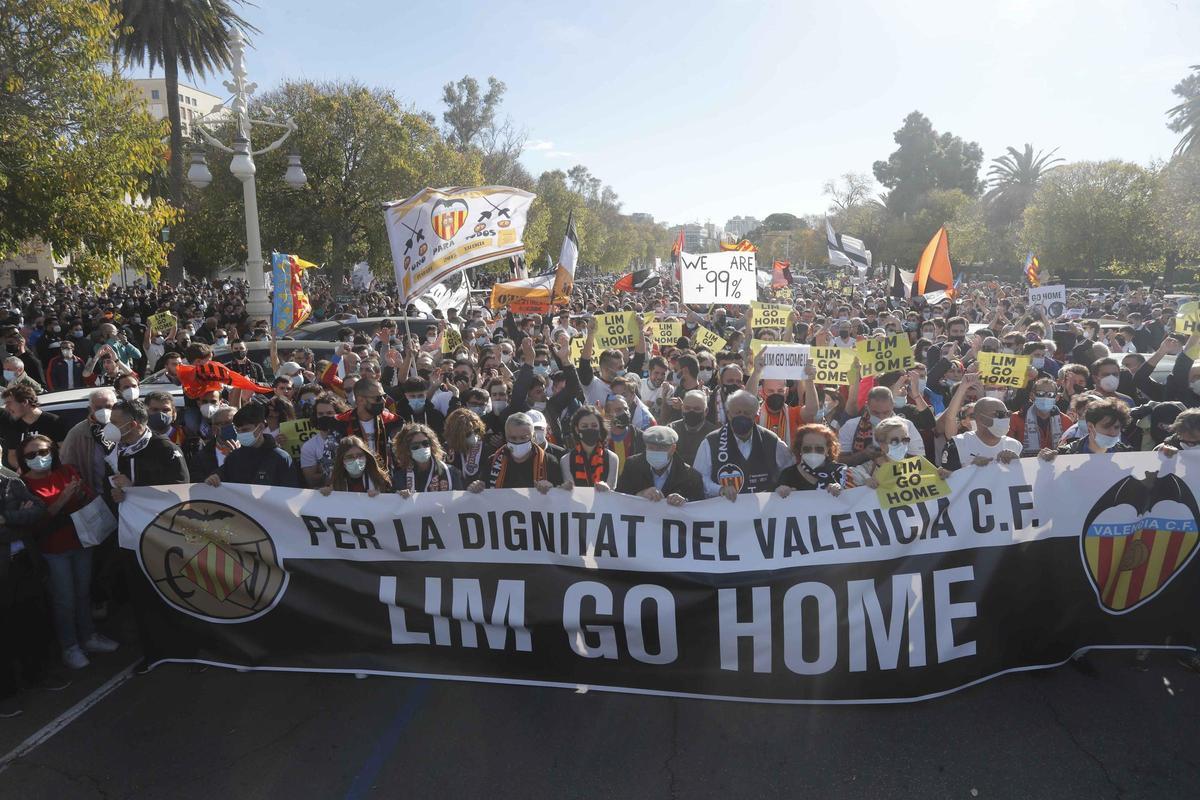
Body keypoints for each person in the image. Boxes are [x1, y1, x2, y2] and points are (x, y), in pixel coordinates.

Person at [19, 435, 119, 670]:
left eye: (43, 452)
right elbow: (36, 521)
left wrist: (80, 494)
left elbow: (88, 498)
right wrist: (64, 497)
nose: (39, 458)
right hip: (53, 549)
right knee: (64, 599)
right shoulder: (23, 485)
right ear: (23, 459)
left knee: (83, 593)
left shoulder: (65, 472)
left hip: (81, 542)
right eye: (31, 455)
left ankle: (88, 636)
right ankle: (70, 646)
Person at [693, 389, 794, 500]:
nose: (742, 416)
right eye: (737, 412)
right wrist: (719, 489)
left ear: (756, 415)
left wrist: (782, 486)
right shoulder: (711, 442)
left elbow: (790, 470)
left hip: (763, 512)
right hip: (725, 511)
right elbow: (699, 478)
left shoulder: (771, 440)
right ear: (728, 413)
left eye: (747, 413)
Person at [203, 403, 300, 488]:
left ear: (261, 427)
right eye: (238, 430)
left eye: (245, 430)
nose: (241, 434)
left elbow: (289, 492)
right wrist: (213, 478)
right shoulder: (234, 457)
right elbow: (220, 476)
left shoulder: (281, 458)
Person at [467, 412, 563, 492]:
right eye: (513, 438)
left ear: (533, 437)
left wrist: (552, 488)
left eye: (523, 438)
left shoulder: (549, 462)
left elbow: (561, 497)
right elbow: (484, 491)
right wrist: (477, 488)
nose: (518, 442)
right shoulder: (492, 462)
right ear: (506, 437)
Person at [614, 425, 704, 504]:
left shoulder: (691, 476)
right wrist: (640, 494)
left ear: (673, 448)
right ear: (645, 446)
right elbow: (619, 498)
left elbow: (699, 508)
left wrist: (684, 501)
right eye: (651, 448)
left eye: (661, 448)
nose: (655, 452)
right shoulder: (632, 466)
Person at [59, 387, 117, 495]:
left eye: (109, 406)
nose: (104, 411)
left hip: (125, 495)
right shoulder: (78, 433)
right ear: (90, 409)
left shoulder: (125, 427)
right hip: (96, 496)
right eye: (98, 408)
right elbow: (67, 465)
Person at [1, 383, 69, 471]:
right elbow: (12, 455)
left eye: (9, 403)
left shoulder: (53, 421)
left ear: (25, 402)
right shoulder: (12, 425)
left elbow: (64, 451)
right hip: (28, 479)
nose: (6, 408)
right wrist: (23, 468)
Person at [941, 397, 1022, 470]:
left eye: (1008, 414)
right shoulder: (958, 444)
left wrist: (1018, 464)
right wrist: (971, 468)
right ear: (980, 418)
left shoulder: (1015, 445)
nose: (1005, 418)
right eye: (1000, 414)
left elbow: (1024, 481)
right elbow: (946, 481)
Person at [1041, 398, 1133, 459]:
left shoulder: (1128, 454)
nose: (1113, 432)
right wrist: (1044, 460)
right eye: (1106, 426)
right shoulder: (1066, 454)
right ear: (1090, 427)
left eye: (1116, 427)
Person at [390, 423, 464, 496]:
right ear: (407, 450)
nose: (422, 447)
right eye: (415, 446)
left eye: (425, 443)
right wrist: (399, 497)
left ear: (432, 445)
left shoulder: (451, 473)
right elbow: (393, 504)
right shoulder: (400, 478)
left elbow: (459, 502)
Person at [776, 424, 848, 496]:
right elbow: (775, 503)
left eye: (819, 449)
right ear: (800, 449)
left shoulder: (840, 472)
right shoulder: (788, 474)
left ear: (828, 450)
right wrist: (781, 491)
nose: (813, 452)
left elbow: (852, 499)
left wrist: (842, 490)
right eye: (807, 449)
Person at [1009, 377, 1074, 456]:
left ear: (1057, 397)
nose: (1045, 398)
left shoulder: (1066, 421)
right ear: (1032, 396)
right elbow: (1009, 446)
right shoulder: (1015, 418)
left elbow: (1070, 451)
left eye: (1050, 394)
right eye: (1040, 394)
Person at [559, 407, 620, 491]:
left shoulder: (612, 458)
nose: (590, 429)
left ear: (600, 428)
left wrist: (606, 489)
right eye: (584, 426)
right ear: (577, 430)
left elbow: (611, 491)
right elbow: (570, 493)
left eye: (594, 426)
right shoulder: (566, 460)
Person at [319, 436, 391, 496]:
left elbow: (392, 502)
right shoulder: (335, 482)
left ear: (366, 456)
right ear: (341, 460)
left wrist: (381, 496)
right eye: (350, 457)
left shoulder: (379, 478)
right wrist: (324, 494)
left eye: (360, 455)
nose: (356, 460)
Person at [443, 407, 490, 486]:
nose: (474, 436)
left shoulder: (485, 448)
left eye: (476, 431)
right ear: (456, 434)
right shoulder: (446, 450)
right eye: (468, 434)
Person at [669, 389, 717, 465]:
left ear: (706, 411)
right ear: (682, 408)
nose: (691, 412)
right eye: (687, 408)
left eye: (697, 409)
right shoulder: (671, 430)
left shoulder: (715, 435)